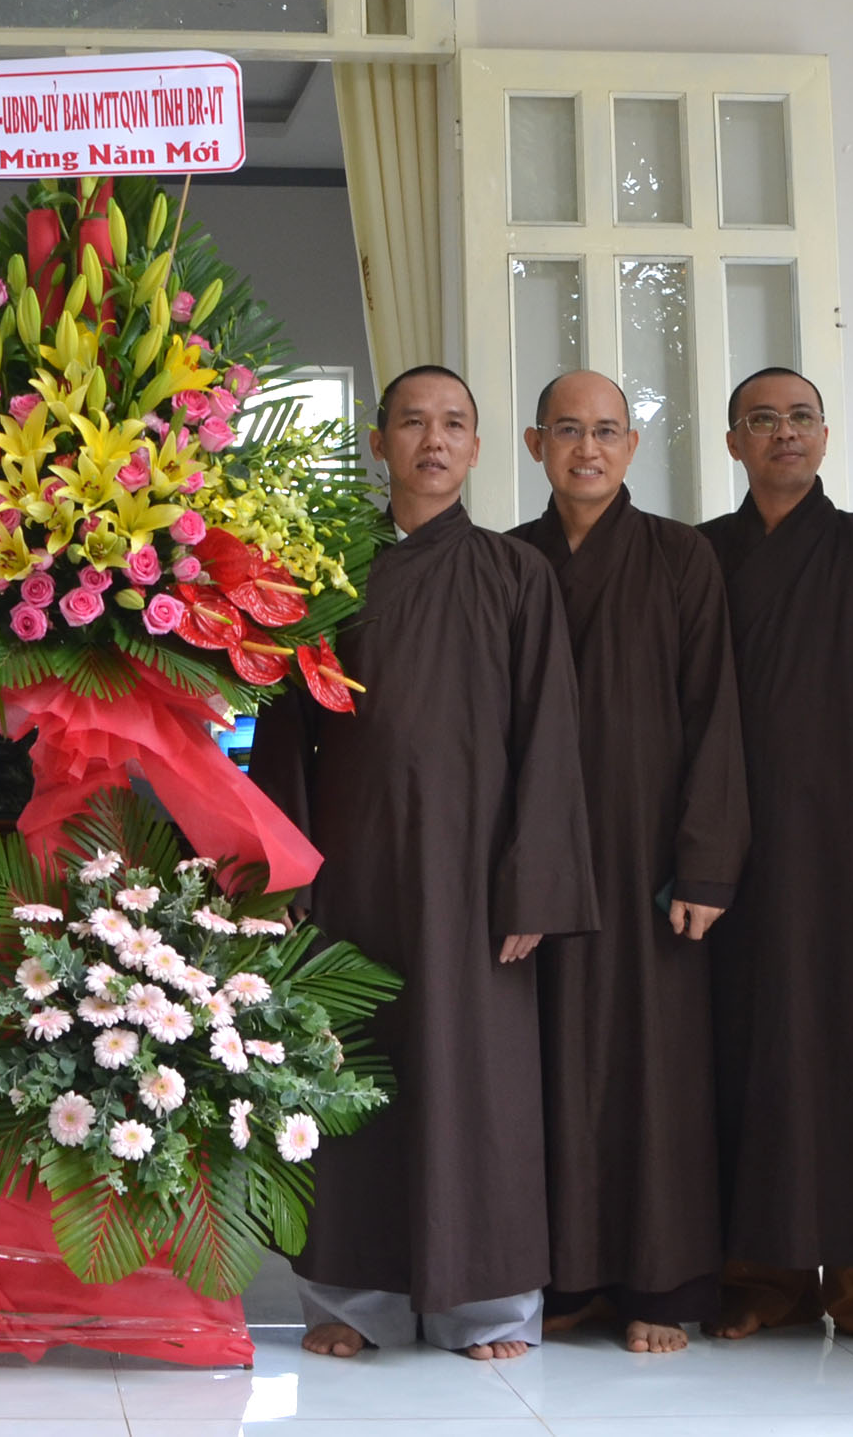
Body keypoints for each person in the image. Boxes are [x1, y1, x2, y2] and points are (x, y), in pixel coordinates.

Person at [251, 364, 597, 1361]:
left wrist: (533, 880)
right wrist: (285, 879)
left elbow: (550, 737)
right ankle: (350, 1304)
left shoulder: (512, 574)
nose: (433, 441)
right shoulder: (323, 573)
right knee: (347, 1072)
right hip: (353, 871)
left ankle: (485, 1309)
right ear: (378, 440)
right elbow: (285, 740)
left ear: (480, 449)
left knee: (479, 1083)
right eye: (412, 422)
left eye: (453, 424)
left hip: (479, 879)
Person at [698, 368, 853, 1355]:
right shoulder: (700, 558)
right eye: (761, 421)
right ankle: (761, 1277)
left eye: (799, 418)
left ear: (826, 435)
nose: (782, 435)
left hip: (851, 865)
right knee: (742, 1061)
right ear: (733, 443)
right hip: (732, 864)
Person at [508, 370, 747, 1355]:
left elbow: (714, 717)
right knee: (545, 1067)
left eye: (607, 430)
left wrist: (705, 868)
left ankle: (660, 1282)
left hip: (649, 857)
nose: (588, 449)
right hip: (537, 857)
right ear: (534, 446)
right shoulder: (507, 562)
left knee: (655, 1076)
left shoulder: (679, 558)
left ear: (633, 447)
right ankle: (563, 1278)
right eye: (568, 430)